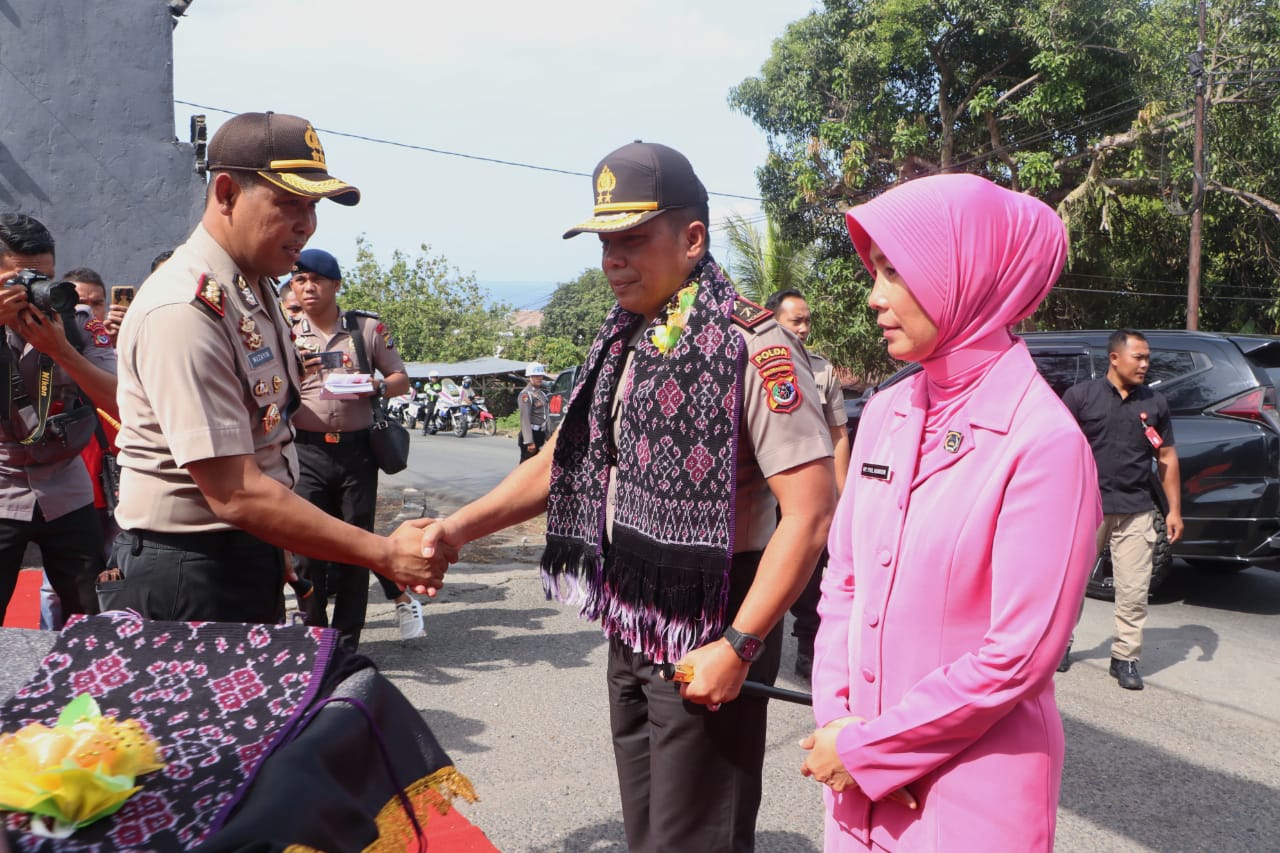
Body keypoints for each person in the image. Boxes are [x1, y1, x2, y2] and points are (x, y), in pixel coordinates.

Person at [421, 141, 836, 852]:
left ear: (694, 238)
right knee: (648, 833)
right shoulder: (623, 339)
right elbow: (568, 458)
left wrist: (740, 644)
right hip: (636, 614)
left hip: (718, 613)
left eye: (633, 240)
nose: (613, 259)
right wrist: (458, 528)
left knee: (696, 838)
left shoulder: (755, 347)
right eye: (605, 243)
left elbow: (812, 509)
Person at [801, 174, 1102, 852]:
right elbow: (844, 583)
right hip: (856, 787)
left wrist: (878, 750)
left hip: (970, 797)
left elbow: (1019, 654)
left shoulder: (1044, 443)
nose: (875, 296)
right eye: (875, 271)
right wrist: (841, 728)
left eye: (895, 272)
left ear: (965, 275)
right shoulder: (884, 412)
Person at [112, 111, 448, 624]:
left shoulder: (251, 289)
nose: (306, 225)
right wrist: (383, 553)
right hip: (192, 571)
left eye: (312, 207)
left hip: (244, 551)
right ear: (225, 193)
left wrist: (278, 542)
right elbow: (234, 490)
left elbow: (266, 433)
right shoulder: (186, 309)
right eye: (288, 203)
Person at [288, 247, 421, 648]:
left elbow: (401, 378)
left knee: (354, 550)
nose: (308, 288)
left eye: (316, 281)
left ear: (335, 285)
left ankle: (345, 644)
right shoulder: (285, 330)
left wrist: (376, 385)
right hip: (306, 451)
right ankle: (315, 637)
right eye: (300, 281)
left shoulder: (365, 330)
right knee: (306, 549)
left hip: (356, 453)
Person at [0, 214, 119, 624]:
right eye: (22, 278)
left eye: (43, 276)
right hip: (2, 484)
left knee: (90, 617)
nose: (36, 289)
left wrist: (61, 350)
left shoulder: (77, 321)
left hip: (66, 486)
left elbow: (121, 399)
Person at [1059, 329, 1182, 689]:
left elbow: (1167, 458)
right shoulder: (1081, 397)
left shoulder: (1155, 404)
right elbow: (1059, 450)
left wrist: (1174, 510)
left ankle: (1125, 658)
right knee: (1070, 584)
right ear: (1114, 358)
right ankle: (1060, 645)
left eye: (1147, 358)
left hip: (1136, 508)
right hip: (1087, 508)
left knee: (1133, 590)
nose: (1145, 364)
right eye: (1138, 357)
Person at [765, 288, 850, 679]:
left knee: (812, 573)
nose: (803, 328)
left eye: (806, 321)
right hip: (764, 494)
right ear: (772, 322)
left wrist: (841, 491)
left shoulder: (822, 370)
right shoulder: (753, 366)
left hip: (810, 491)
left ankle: (808, 649)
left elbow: (838, 434)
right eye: (794, 321)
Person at [516, 362, 551, 462]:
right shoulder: (526, 395)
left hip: (540, 434)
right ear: (529, 377)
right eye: (536, 376)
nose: (539, 378)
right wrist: (529, 441)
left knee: (538, 466)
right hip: (531, 434)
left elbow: (546, 416)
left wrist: (547, 435)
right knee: (526, 467)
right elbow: (525, 419)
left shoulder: (542, 394)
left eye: (540, 376)